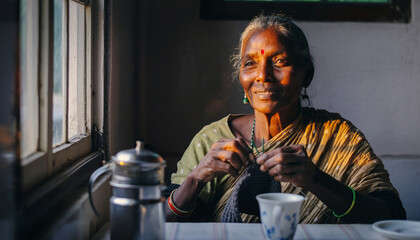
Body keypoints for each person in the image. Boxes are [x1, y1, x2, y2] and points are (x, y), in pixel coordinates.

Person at [164, 13, 406, 224]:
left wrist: (316, 180)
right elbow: (166, 221)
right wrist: (196, 179)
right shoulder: (213, 140)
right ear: (241, 77)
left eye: (279, 62)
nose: (263, 75)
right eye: (251, 63)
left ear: (306, 75)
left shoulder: (338, 136)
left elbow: (391, 216)